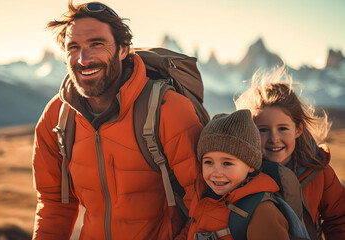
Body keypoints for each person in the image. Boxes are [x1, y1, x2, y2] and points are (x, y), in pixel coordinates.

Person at [31, 1, 203, 239]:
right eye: (73, 47)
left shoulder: (168, 109)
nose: (83, 59)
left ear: (123, 50)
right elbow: (54, 203)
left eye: (96, 44)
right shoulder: (57, 116)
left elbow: (203, 201)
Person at [235, 67, 345, 239]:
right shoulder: (238, 174)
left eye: (283, 129)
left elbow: (339, 218)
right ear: (251, 132)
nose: (274, 138)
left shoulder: (319, 172)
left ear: (298, 129)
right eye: (263, 130)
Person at [180, 109, 291, 240]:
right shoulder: (203, 197)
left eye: (227, 163)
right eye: (209, 162)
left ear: (250, 165)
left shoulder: (261, 211)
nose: (216, 173)